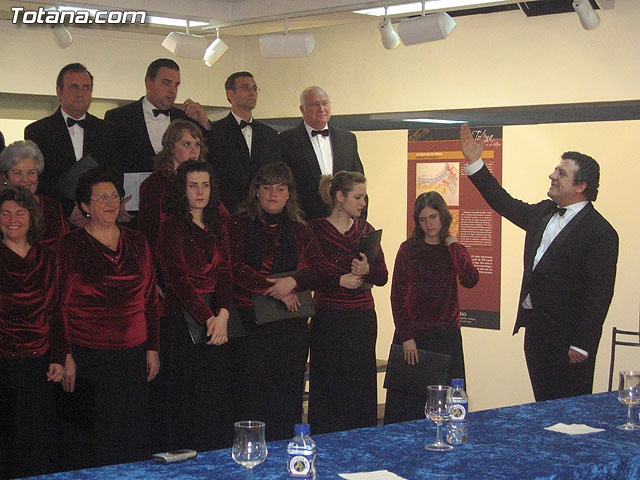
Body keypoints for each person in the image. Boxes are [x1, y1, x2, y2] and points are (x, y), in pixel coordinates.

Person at [459, 124, 618, 401]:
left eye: (561, 173)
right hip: (536, 336)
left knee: (569, 415)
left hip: (569, 343)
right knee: (542, 406)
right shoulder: (544, 212)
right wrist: (475, 163)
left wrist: (583, 344)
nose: (552, 175)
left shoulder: (601, 232)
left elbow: (599, 295)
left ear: (580, 186)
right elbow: (503, 203)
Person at [57, 166, 160, 469]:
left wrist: (153, 348)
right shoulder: (69, 245)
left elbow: (150, 300)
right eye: (101, 198)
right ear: (85, 206)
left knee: (131, 439)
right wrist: (65, 354)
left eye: (114, 196)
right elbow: (57, 305)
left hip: (132, 357)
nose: (110, 202)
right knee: (87, 442)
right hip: (87, 357)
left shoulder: (138, 241)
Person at [228, 162, 324, 441]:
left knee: (287, 399)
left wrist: (292, 283)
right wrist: (274, 289)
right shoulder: (237, 223)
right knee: (250, 398)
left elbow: (321, 270)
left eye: (280, 189)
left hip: (290, 331)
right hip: (250, 328)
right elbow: (234, 267)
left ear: (289, 194)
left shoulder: (300, 229)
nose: (273, 194)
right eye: (267, 188)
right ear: (256, 191)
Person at [383, 191, 479, 424]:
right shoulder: (408, 250)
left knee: (447, 405)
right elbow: (397, 295)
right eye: (423, 219)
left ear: (443, 216)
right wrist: (406, 337)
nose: (429, 224)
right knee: (408, 408)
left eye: (433, 217)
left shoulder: (452, 248)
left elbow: (470, 279)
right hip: (414, 335)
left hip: (446, 335)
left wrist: (455, 246)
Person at [157, 160, 233, 451]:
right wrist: (208, 318)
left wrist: (223, 314)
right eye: (193, 185)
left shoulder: (218, 224)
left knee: (215, 399)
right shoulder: (171, 227)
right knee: (187, 399)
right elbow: (177, 279)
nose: (200, 191)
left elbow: (225, 271)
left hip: (218, 321)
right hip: (182, 321)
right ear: (182, 189)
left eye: (205, 185)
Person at [308, 171, 388, 434]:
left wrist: (367, 269)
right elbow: (308, 273)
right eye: (358, 197)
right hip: (329, 319)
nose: (363, 203)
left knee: (360, 386)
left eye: (364, 197)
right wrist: (337, 281)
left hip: (362, 318)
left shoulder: (366, 229)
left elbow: (383, 276)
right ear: (339, 197)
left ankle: (362, 446)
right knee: (329, 386)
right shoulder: (316, 230)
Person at [0, 186, 67, 479]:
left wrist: (59, 356)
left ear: (32, 218)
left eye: (20, 213)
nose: (12, 220)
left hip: (40, 365)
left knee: (38, 444)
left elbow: (56, 311)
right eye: (5, 213)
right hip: (3, 365)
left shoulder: (48, 258)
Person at [24, 63, 122, 217]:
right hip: (54, 216)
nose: (80, 93)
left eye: (86, 87)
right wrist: (69, 209)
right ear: (59, 91)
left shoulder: (108, 131)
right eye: (74, 87)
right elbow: (40, 180)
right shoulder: (37, 131)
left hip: (99, 216)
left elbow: (114, 175)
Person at [104, 58, 213, 174]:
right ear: (149, 82)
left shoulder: (184, 118)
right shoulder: (118, 117)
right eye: (167, 83)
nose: (173, 90)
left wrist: (204, 122)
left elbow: (210, 155)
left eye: (176, 85)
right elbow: (110, 163)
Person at [280, 86, 366, 220]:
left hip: (344, 225)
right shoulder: (286, 140)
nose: (321, 109)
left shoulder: (348, 139)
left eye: (325, 103)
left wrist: (359, 221)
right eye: (315, 104)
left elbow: (358, 182)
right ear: (302, 109)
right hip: (304, 223)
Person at [138, 119, 210, 268]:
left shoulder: (205, 179)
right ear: (171, 147)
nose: (194, 150)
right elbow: (149, 234)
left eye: (197, 144)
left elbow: (219, 219)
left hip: (204, 261)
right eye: (186, 144)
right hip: (168, 264)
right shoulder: (155, 184)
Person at [208, 71, 282, 213]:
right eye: (246, 88)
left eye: (255, 88)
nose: (252, 92)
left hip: (265, 211)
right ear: (230, 94)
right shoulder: (216, 132)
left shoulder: (270, 135)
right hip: (229, 211)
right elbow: (215, 176)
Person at [0, 140, 70, 246]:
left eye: (31, 173)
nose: (25, 180)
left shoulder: (53, 207)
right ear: (5, 177)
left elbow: (66, 246)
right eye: (17, 173)